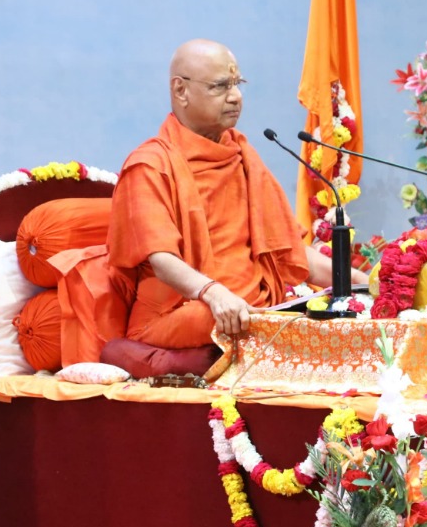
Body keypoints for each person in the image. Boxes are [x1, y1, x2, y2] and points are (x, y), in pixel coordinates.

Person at [108, 40, 358, 346]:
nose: (235, 96)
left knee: (322, 313)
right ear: (180, 90)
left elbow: (287, 249)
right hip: (180, 313)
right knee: (210, 317)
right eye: (220, 86)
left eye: (238, 84)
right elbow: (161, 258)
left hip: (253, 310)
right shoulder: (150, 165)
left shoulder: (242, 156)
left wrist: (361, 282)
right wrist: (213, 293)